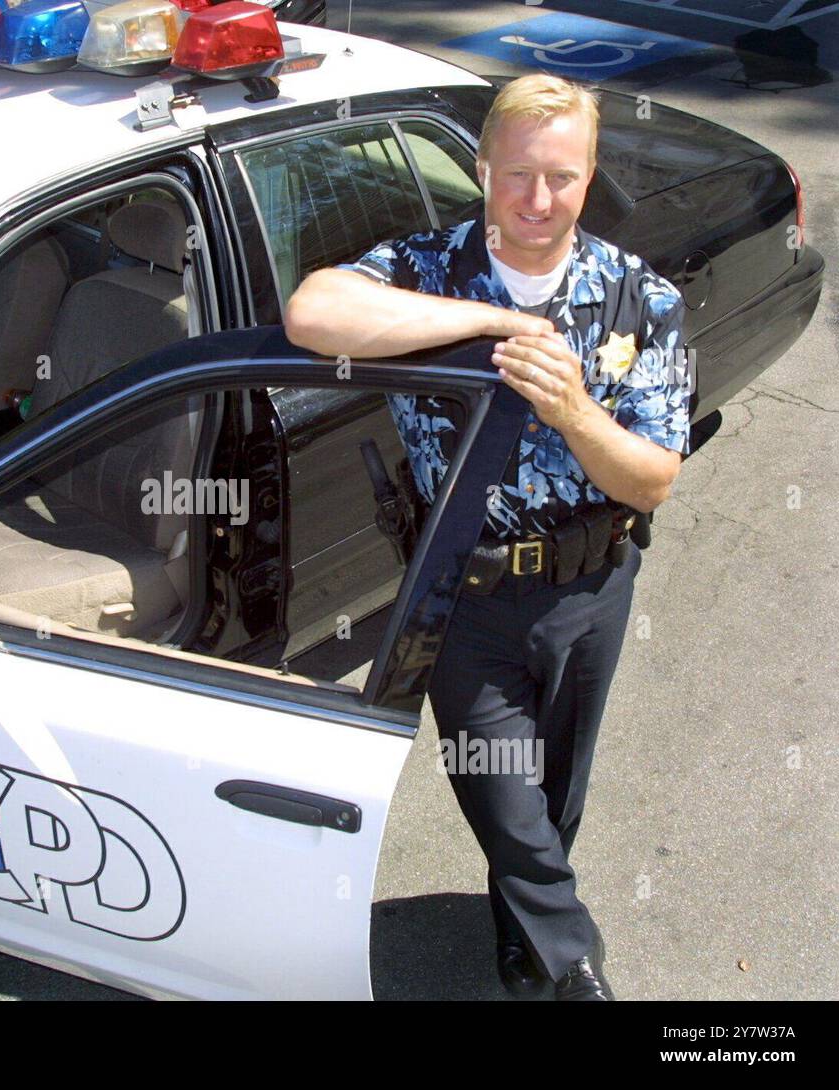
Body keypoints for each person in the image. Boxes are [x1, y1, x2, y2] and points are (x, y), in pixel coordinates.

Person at [284, 74, 690, 1000]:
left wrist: (577, 411)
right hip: (463, 591)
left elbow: (654, 478)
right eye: (517, 175)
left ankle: (524, 930)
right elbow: (312, 313)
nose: (538, 201)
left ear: (590, 177)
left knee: (555, 788)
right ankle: (571, 964)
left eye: (563, 177)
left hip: (591, 589)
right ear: (481, 170)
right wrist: (501, 322)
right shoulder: (426, 270)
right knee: (500, 788)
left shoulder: (640, 300)